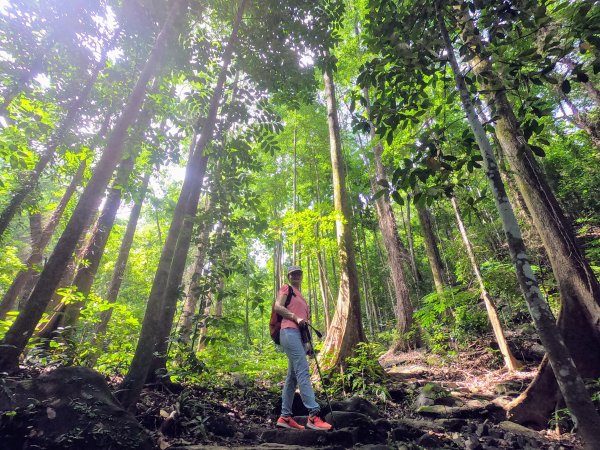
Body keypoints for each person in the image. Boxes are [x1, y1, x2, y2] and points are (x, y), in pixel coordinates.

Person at [274, 265, 333, 431]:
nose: (296, 276)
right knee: (302, 370)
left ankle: (285, 417)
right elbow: (278, 307)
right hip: (288, 331)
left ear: (302, 275)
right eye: (293, 274)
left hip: (299, 336)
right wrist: (294, 317)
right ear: (289, 276)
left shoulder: (302, 298)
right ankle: (313, 415)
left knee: (292, 377)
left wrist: (307, 344)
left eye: (298, 273)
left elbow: (304, 324)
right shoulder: (287, 288)